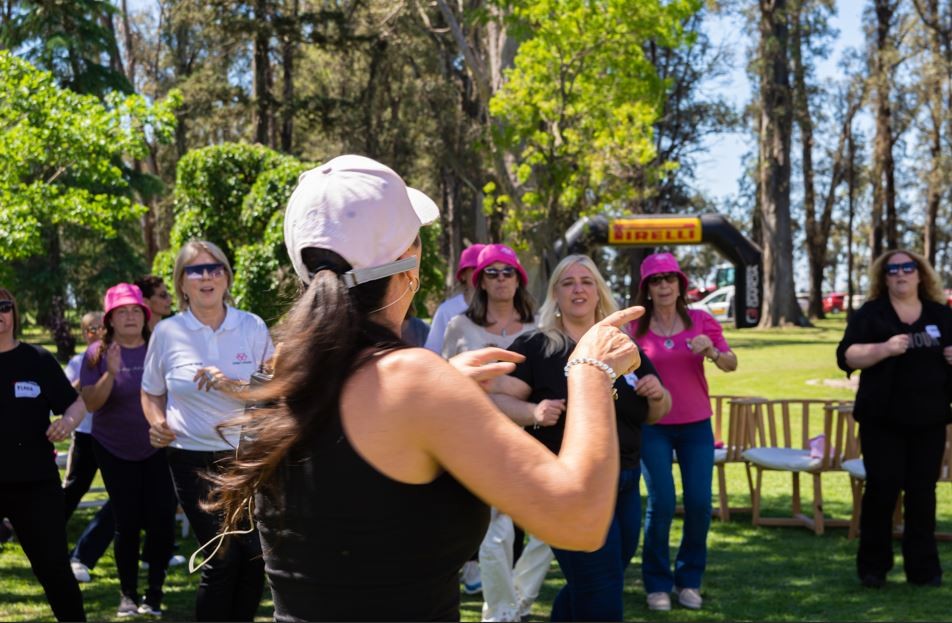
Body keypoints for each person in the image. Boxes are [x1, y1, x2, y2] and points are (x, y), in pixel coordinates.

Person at [203, 154, 645, 622]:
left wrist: (442, 385)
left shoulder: (279, 373)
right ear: (409, 262)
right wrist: (591, 368)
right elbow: (580, 518)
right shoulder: (412, 381)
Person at [493, 254, 670, 621]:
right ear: (554, 294)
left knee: (594, 585)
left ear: (599, 291)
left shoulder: (620, 345)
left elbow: (656, 412)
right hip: (569, 486)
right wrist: (533, 413)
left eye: (586, 281)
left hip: (624, 482)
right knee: (601, 592)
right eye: (568, 282)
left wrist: (658, 394)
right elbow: (493, 396)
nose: (578, 289)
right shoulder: (538, 346)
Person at [141, 240, 274, 621]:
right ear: (182, 283)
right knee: (221, 556)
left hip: (246, 456)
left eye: (215, 268)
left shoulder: (250, 325)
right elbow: (151, 392)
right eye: (196, 270)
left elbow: (271, 391)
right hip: (190, 458)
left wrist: (230, 384)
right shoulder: (167, 332)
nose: (207, 276)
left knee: (252, 557)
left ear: (227, 277)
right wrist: (156, 423)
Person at [441, 244, 550, 621]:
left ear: (519, 278)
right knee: (495, 532)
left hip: (535, 436)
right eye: (493, 272)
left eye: (508, 272)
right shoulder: (460, 328)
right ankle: (501, 614)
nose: (501, 279)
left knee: (545, 529)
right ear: (480, 281)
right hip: (480, 440)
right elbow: (444, 383)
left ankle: (519, 599)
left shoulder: (540, 327)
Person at [836, 248, 952, 588]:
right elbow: (847, 356)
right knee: (882, 491)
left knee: (922, 494)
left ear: (920, 274)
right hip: (881, 421)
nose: (900, 274)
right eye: (892, 270)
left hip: (929, 421)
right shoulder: (872, 314)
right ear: (883, 277)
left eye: (907, 268)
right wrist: (883, 349)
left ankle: (924, 570)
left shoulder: (941, 315)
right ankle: (873, 568)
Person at [629, 252, 737, 611]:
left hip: (695, 426)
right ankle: (657, 584)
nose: (663, 286)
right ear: (646, 288)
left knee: (699, 504)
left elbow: (731, 363)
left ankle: (689, 580)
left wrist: (712, 352)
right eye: (656, 281)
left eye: (670, 279)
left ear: (680, 284)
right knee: (661, 503)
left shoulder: (702, 320)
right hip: (654, 426)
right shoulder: (634, 328)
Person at [79, 283, 178, 617]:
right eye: (122, 312)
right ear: (110, 319)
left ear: (145, 315)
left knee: (162, 521)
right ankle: (128, 595)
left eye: (136, 310)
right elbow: (91, 404)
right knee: (127, 523)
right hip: (113, 448)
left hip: (158, 447)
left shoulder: (158, 348)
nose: (131, 316)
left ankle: (154, 593)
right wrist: (110, 374)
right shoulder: (96, 353)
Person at [0, 287, 87, 621]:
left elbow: (75, 404)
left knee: (54, 570)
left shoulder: (37, 359)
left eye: (5, 306)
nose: (0, 313)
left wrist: (67, 422)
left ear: (14, 313)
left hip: (36, 484)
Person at [62, 311, 115, 583]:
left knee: (120, 492)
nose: (96, 332)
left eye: (100, 327)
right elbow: (66, 395)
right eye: (90, 329)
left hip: (110, 436)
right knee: (74, 488)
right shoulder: (77, 361)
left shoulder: (114, 357)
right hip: (84, 435)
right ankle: (45, 533)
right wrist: (87, 376)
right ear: (84, 334)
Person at [424, 243, 484, 354]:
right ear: (463, 275)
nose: (480, 274)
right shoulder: (447, 310)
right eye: (475, 268)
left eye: (486, 269)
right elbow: (432, 353)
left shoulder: (504, 309)